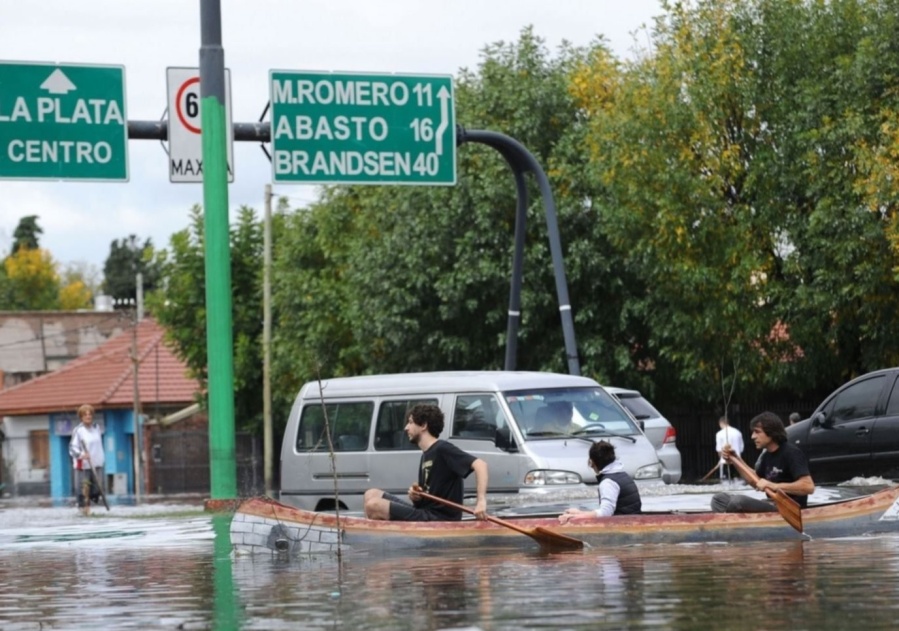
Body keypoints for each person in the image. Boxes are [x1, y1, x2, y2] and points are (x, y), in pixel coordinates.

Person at [363, 403, 488, 521]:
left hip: (439, 518)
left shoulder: (443, 449)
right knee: (371, 494)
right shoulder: (426, 454)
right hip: (425, 512)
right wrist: (416, 496)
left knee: (374, 505)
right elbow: (426, 498)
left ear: (423, 425)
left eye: (411, 422)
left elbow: (480, 465)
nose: (406, 428)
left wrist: (481, 501)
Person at [711, 411, 815, 513]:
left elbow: (808, 486)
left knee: (738, 501)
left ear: (771, 432)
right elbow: (755, 481)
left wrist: (773, 486)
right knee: (718, 499)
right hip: (771, 503)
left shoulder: (792, 453)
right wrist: (736, 460)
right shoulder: (766, 456)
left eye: (757, 432)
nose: (753, 436)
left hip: (789, 508)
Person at [558, 440, 642, 523]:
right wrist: (580, 513)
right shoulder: (622, 475)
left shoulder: (608, 482)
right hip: (633, 523)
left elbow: (606, 513)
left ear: (591, 462)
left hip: (623, 528)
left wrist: (574, 517)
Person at [68, 404, 105, 515]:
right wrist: (81, 454)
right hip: (83, 465)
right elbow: (72, 448)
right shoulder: (78, 430)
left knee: (97, 489)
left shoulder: (96, 428)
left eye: (90, 414)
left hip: (96, 463)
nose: (88, 417)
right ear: (81, 417)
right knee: (83, 490)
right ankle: (84, 510)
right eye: (85, 415)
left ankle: (90, 506)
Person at [715, 416, 744, 481]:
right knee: (738, 480)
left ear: (720, 423)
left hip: (725, 461)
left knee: (725, 481)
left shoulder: (719, 434)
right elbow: (741, 448)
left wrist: (720, 460)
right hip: (738, 461)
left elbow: (719, 450)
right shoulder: (738, 432)